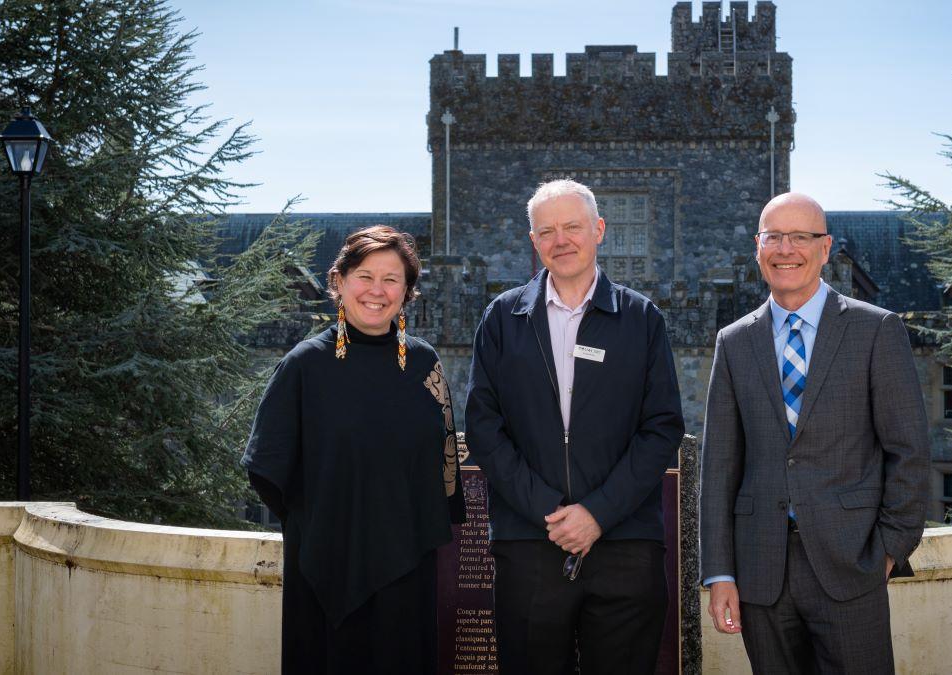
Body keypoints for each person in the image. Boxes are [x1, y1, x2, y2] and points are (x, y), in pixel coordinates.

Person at [699, 193, 930, 673]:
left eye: (800, 237)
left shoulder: (876, 330)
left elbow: (908, 452)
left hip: (851, 567)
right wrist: (720, 572)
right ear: (757, 248)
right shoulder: (735, 341)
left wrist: (888, 550)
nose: (786, 249)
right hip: (761, 571)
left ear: (824, 249)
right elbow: (719, 466)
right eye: (774, 237)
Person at [465, 179, 685, 674]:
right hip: (529, 545)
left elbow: (662, 428)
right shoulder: (502, 319)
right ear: (533, 241)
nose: (560, 240)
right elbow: (483, 427)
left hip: (625, 546)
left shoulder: (641, 318)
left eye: (572, 227)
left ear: (599, 230)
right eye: (547, 231)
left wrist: (597, 513)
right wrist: (549, 509)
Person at [241, 226, 465, 674]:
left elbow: (444, 468)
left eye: (391, 279)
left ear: (407, 291)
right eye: (364, 276)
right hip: (327, 572)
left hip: (410, 569)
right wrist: (328, 525)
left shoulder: (426, 364)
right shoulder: (304, 365)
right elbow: (267, 469)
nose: (377, 291)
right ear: (339, 282)